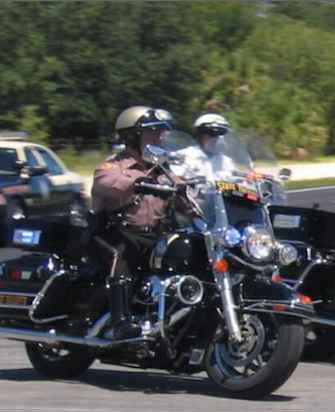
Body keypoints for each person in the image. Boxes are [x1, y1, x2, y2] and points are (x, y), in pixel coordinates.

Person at [91, 105, 181, 340]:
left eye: (161, 131)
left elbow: (184, 190)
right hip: (116, 231)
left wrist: (204, 192)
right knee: (120, 254)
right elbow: (106, 182)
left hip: (155, 235)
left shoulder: (162, 169)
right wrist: (137, 183)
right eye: (153, 132)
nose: (160, 136)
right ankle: (119, 322)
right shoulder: (114, 165)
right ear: (133, 136)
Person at [171, 113, 238, 181]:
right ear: (200, 134)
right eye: (211, 133)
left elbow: (236, 180)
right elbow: (173, 178)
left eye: (220, 134)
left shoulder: (226, 161)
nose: (216, 138)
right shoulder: (184, 155)